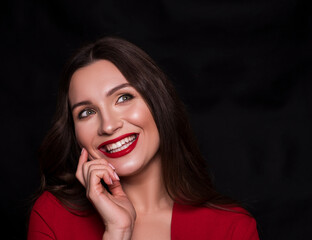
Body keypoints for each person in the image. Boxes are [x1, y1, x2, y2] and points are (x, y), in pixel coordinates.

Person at [28, 37, 259, 240]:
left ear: (158, 103)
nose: (108, 126)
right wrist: (117, 232)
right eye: (86, 112)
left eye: (123, 97)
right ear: (74, 133)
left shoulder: (231, 228)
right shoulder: (52, 216)